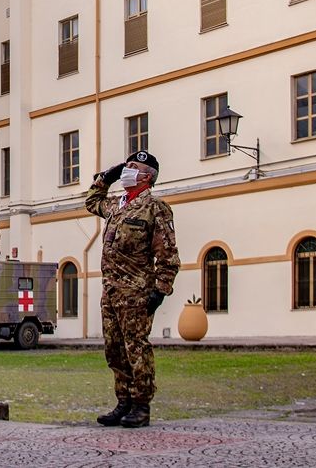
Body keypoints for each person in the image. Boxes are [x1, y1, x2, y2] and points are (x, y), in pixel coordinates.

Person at [86, 150, 180, 428]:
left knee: (135, 349)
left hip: (137, 292)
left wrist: (161, 290)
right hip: (111, 292)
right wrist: (107, 177)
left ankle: (141, 405)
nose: (126, 169)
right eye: (126, 166)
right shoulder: (117, 206)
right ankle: (123, 401)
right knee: (114, 350)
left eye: (132, 167)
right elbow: (92, 202)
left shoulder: (155, 207)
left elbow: (167, 253)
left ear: (147, 177)